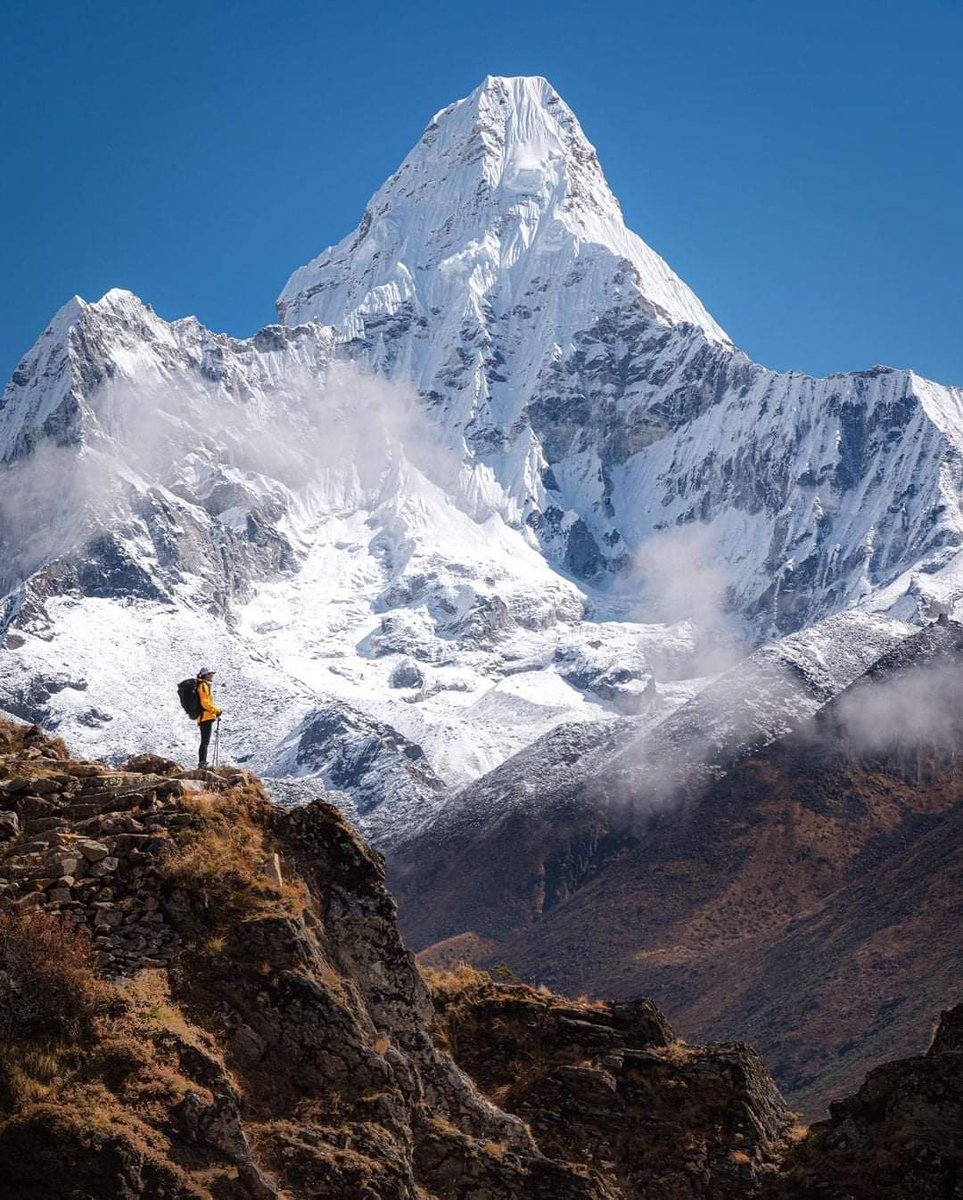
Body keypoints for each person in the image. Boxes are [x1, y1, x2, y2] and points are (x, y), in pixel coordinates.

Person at [195, 667, 222, 767]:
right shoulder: (203, 686)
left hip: (205, 716)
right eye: (210, 674)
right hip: (205, 716)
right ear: (206, 675)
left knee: (205, 741)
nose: (212, 676)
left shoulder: (204, 685)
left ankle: (203, 761)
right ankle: (202, 762)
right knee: (205, 741)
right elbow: (205, 703)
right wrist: (216, 710)